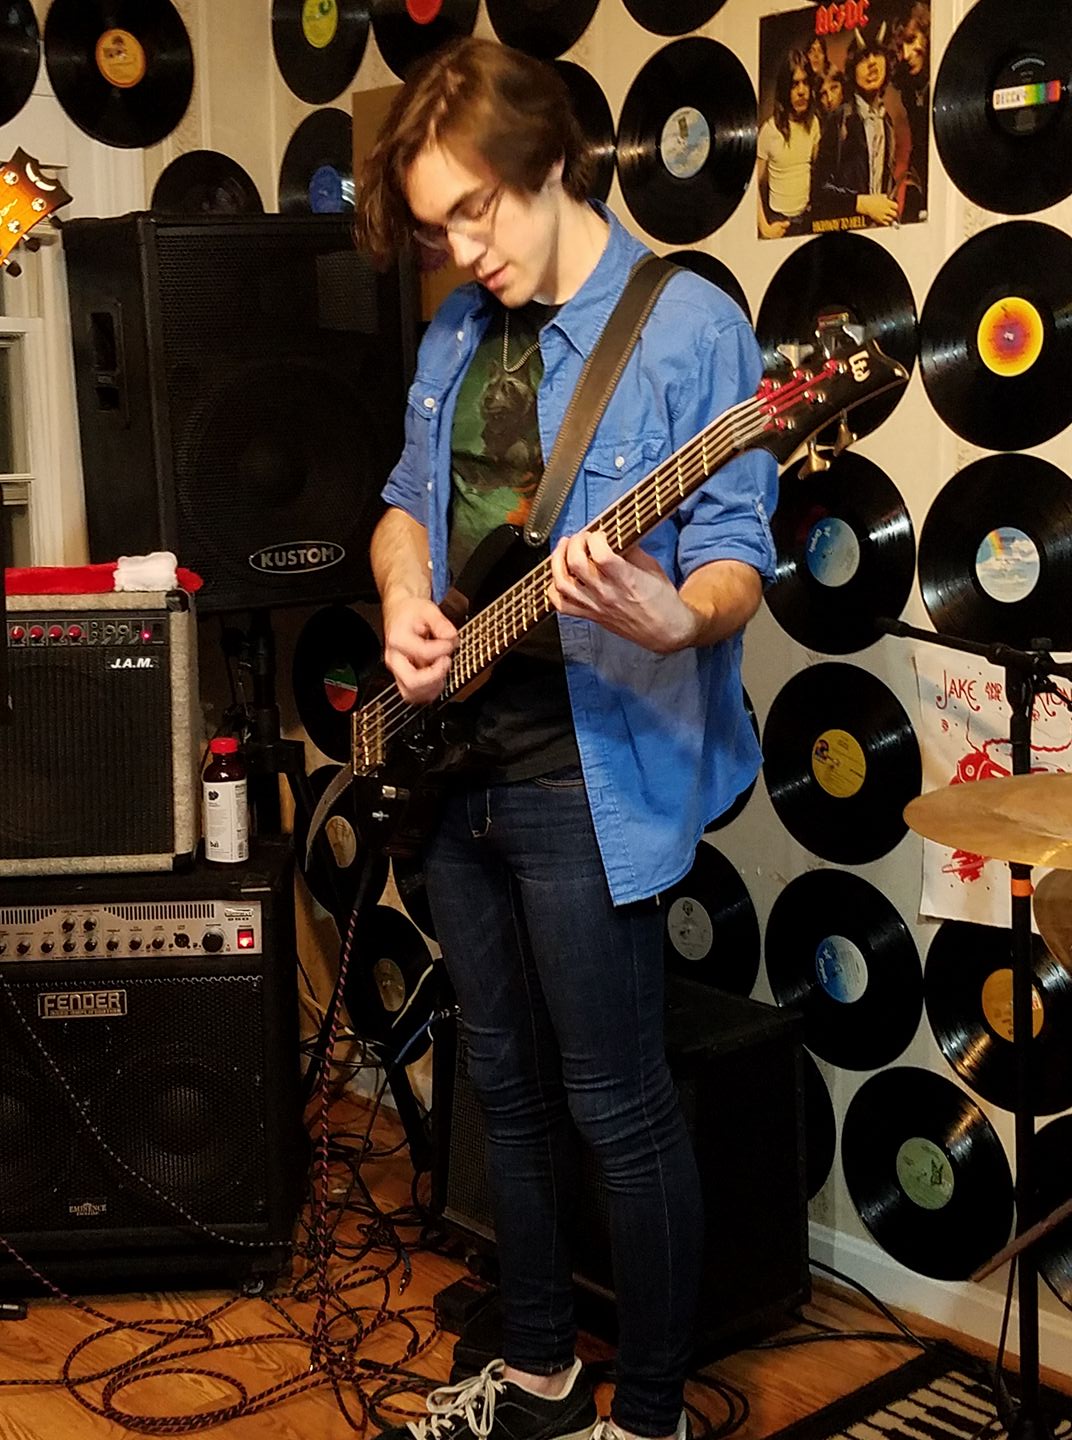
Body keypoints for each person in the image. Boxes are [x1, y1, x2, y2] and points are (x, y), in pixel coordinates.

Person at [353, 35, 776, 1440]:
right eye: (439, 227)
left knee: (619, 1105)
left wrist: (673, 616)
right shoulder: (453, 333)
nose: (462, 249)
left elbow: (737, 554)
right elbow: (403, 504)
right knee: (503, 1088)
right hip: (452, 762)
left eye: (475, 211)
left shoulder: (688, 326)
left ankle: (647, 1417)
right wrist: (404, 597)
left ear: (550, 162)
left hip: (585, 770)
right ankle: (537, 1374)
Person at [812, 24, 898, 227]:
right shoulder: (839, 119)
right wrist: (860, 203)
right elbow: (818, 190)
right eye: (862, 58)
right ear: (853, 69)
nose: (872, 63)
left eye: (877, 54)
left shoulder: (886, 122)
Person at [757, 49, 821, 238]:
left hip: (807, 218)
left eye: (805, 83)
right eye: (794, 85)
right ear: (785, 89)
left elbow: (817, 170)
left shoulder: (814, 123)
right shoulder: (770, 130)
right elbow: (751, 185)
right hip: (779, 221)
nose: (801, 91)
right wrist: (764, 227)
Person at [892, 1, 930, 223]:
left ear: (928, 35)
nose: (905, 55)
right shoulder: (909, 87)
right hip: (919, 170)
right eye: (900, 47)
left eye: (911, 40)